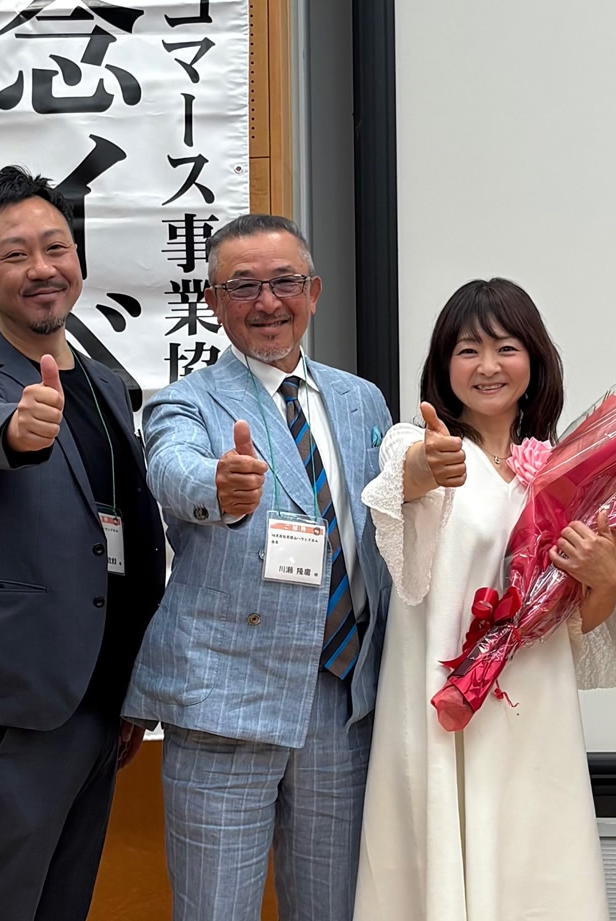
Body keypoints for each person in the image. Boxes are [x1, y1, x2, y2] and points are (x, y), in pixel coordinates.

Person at [122, 213, 393, 921]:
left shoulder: (361, 400)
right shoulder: (186, 401)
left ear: (314, 292)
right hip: (226, 701)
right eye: (243, 286)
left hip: (341, 701)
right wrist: (220, 486)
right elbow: (171, 467)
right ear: (214, 301)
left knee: (332, 908)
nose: (267, 302)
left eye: (284, 282)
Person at [353, 278, 616, 921]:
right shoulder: (418, 443)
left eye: (506, 347)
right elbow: (404, 485)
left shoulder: (566, 470)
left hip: (536, 704)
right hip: (445, 700)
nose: (488, 366)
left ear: (534, 361)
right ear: (442, 365)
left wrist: (605, 580)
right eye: (468, 350)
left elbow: (582, 626)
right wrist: (427, 466)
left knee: (537, 858)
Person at [0, 165, 166, 921]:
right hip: (19, 698)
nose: (42, 268)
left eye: (55, 247)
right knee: (2, 905)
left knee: (65, 905)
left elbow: (126, 530)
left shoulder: (104, 384)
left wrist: (133, 685)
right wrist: (15, 428)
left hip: (102, 698)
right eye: (15, 254)